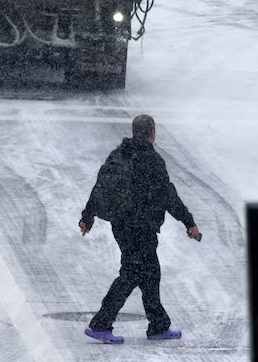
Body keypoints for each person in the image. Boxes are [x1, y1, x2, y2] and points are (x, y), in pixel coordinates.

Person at [79, 114, 203, 344]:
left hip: (121, 225)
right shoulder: (152, 161)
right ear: (152, 133)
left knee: (150, 273)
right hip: (141, 227)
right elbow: (169, 196)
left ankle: (158, 325)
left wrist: (88, 216)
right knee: (132, 273)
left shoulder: (119, 154)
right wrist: (189, 222)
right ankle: (101, 324)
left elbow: (100, 187)